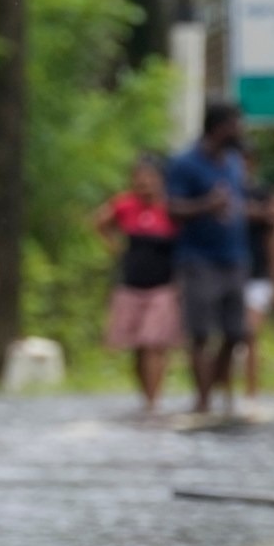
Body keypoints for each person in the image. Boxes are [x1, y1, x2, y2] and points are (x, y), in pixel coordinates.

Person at [164, 101, 252, 415]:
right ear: (219, 127)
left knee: (236, 332)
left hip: (234, 256)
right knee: (200, 332)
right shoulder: (185, 163)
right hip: (198, 258)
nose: (240, 130)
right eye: (235, 123)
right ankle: (203, 400)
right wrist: (205, 206)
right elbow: (172, 208)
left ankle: (219, 387)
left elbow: (238, 204)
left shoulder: (233, 162)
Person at [93, 157, 180, 415]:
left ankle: (154, 402)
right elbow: (99, 222)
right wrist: (115, 247)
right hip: (131, 284)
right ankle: (145, 397)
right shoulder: (125, 205)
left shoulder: (171, 207)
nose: (145, 183)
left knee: (155, 343)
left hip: (163, 285)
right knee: (137, 345)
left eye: (150, 177)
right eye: (139, 178)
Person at [237, 152, 274, 406]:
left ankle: (251, 393)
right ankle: (222, 395)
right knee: (225, 337)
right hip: (228, 272)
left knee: (250, 333)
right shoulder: (219, 191)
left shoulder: (263, 195)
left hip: (257, 274)